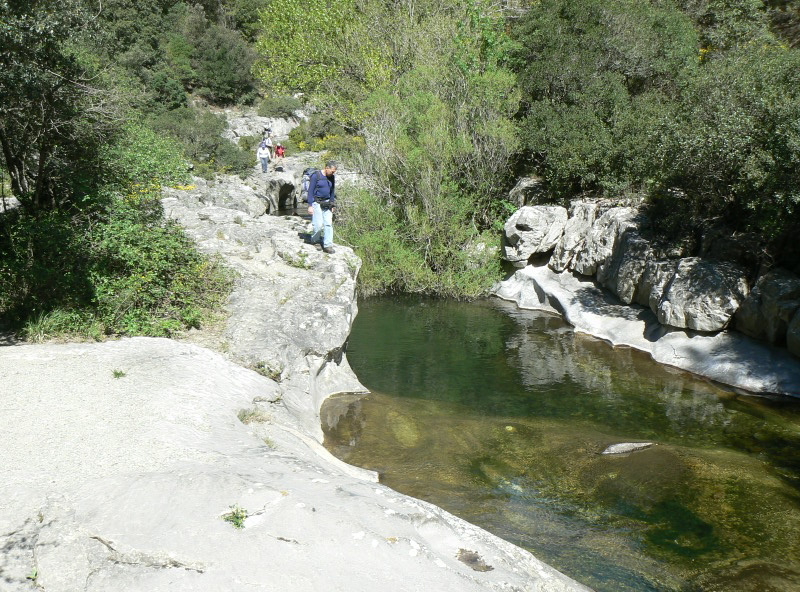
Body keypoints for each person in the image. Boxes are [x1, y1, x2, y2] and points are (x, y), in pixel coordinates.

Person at [307, 161, 337, 254]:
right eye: (332, 171)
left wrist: (332, 204)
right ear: (327, 168)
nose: (333, 173)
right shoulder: (316, 176)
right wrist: (310, 205)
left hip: (327, 203)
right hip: (317, 203)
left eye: (334, 171)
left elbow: (332, 191)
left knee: (328, 224)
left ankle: (328, 245)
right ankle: (315, 240)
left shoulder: (332, 177)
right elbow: (310, 191)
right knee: (318, 225)